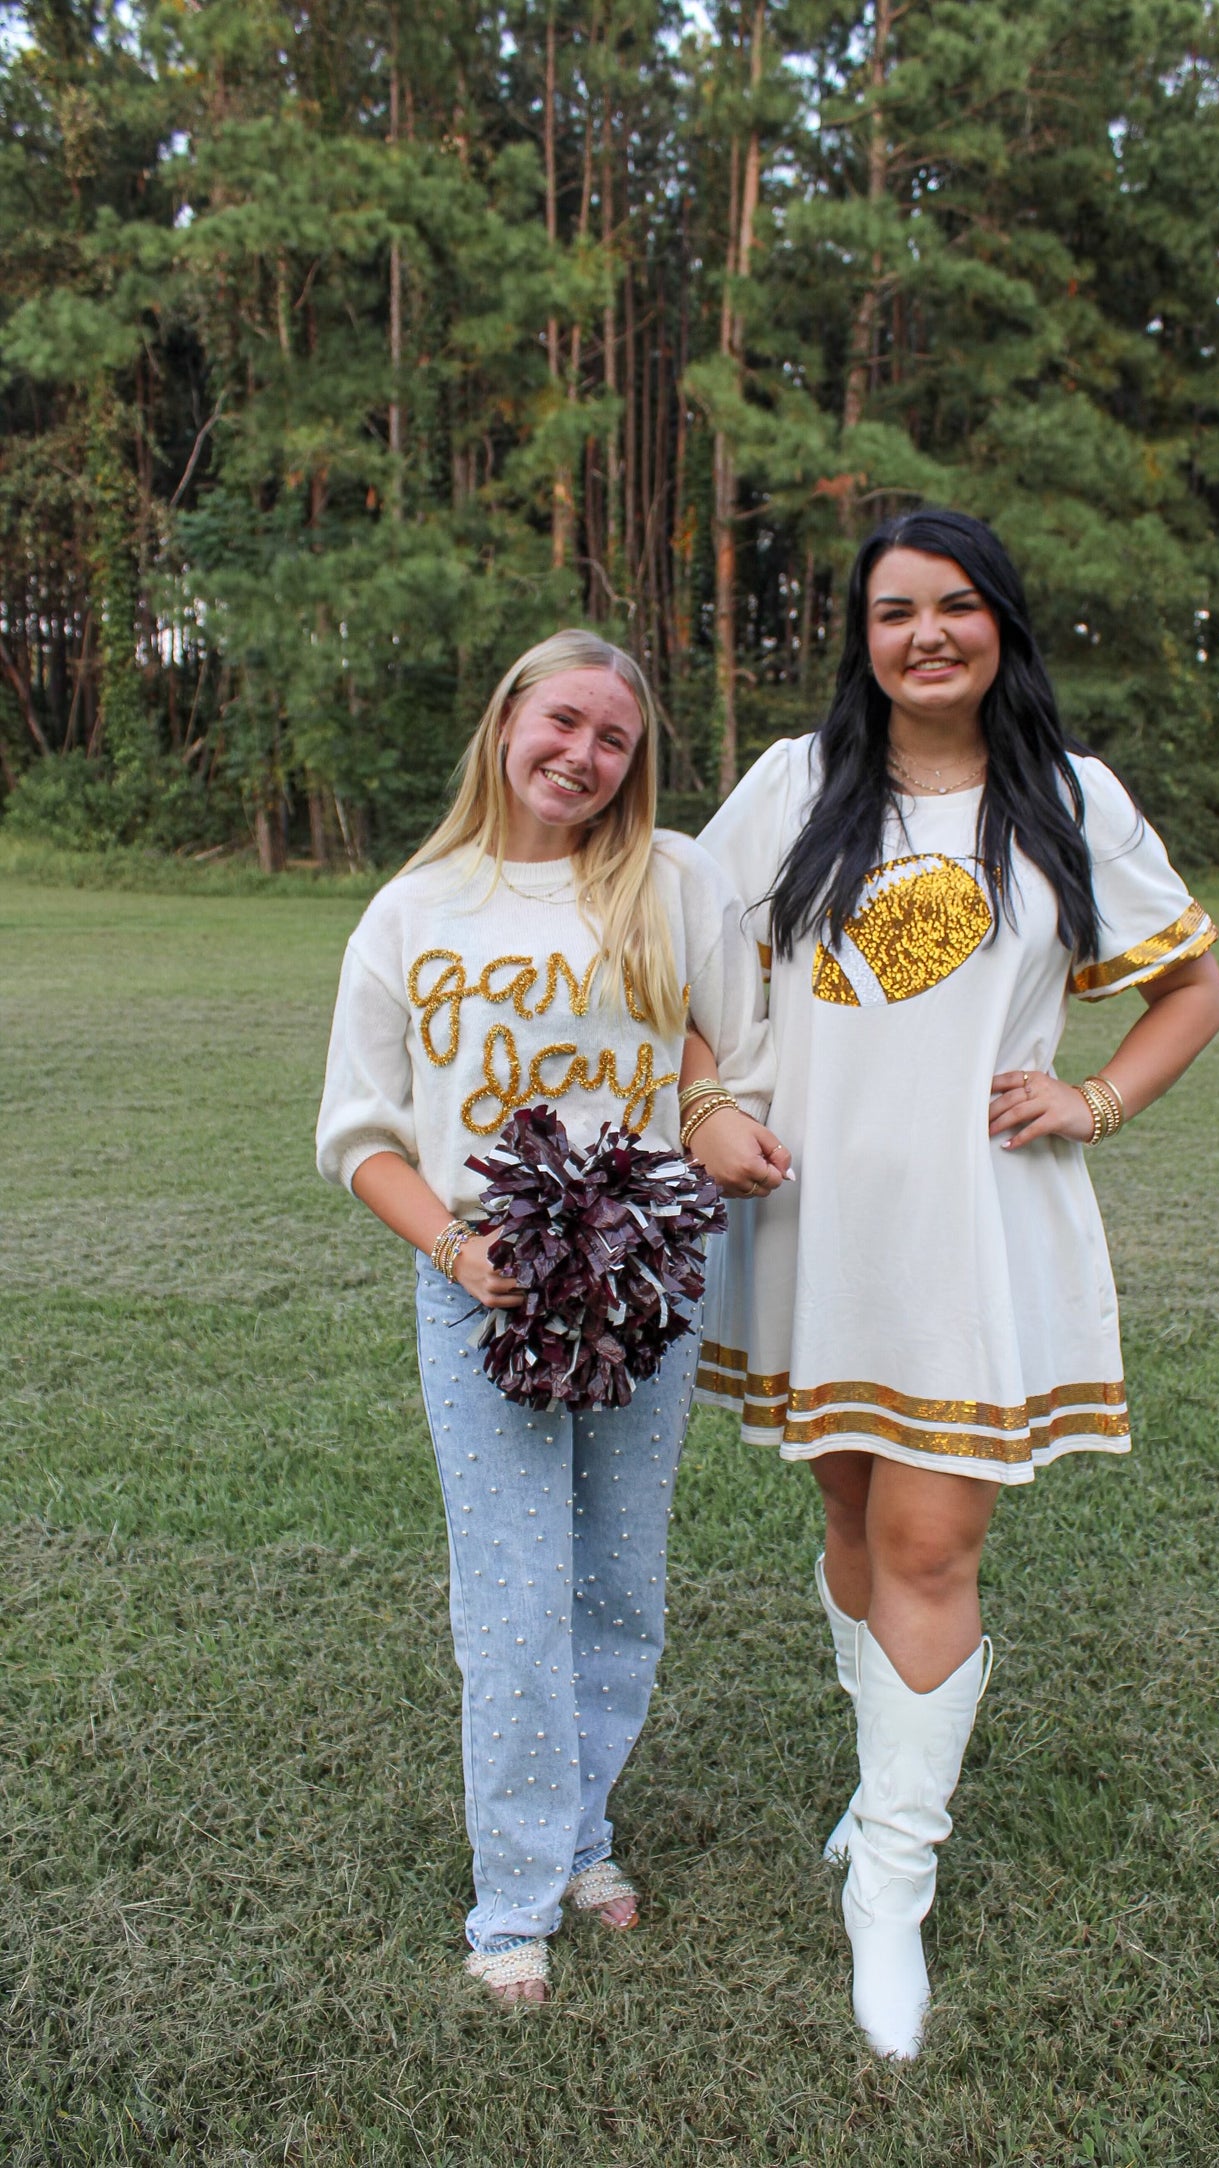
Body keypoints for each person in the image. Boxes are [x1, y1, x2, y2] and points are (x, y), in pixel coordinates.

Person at [692, 509, 1219, 2060]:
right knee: (854, 1512)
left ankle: (891, 1889)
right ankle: (879, 1796)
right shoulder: (793, 785)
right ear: (859, 638)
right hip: (811, 1218)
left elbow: (1191, 986)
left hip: (977, 1222)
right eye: (890, 612)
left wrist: (1097, 1099)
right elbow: (680, 977)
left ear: (1002, 620)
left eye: (954, 606)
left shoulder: (1069, 798)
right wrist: (709, 1106)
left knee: (930, 1533)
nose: (923, 634)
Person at [316, 629, 788, 2007]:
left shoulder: (676, 877)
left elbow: (724, 1040)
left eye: (614, 741)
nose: (581, 757)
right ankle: (512, 1900)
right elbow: (360, 1137)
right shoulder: (413, 911)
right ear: (506, 715)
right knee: (514, 1596)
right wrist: (461, 1251)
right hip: (484, 1293)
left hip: (641, 1282)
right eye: (563, 723)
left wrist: (697, 1111)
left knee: (614, 1582)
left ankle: (583, 1832)